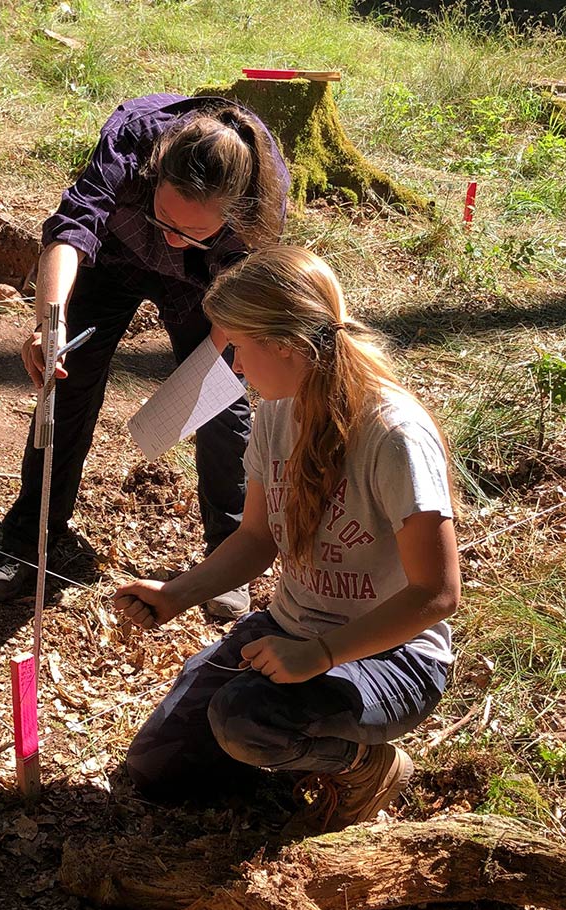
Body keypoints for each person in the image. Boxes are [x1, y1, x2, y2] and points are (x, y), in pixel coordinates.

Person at [114, 245, 460, 833]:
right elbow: (257, 537)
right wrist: (176, 595)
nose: (236, 367)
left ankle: (365, 766)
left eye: (240, 348)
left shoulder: (393, 434)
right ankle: (291, 754)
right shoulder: (277, 409)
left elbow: (436, 594)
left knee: (246, 719)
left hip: (393, 656)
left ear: (288, 345)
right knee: (156, 770)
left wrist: (320, 655)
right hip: (290, 631)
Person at [0, 93, 290, 619]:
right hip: (113, 260)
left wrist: (201, 377)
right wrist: (50, 325)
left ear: (229, 216)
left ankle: (226, 558)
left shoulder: (259, 199)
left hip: (204, 288)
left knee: (222, 404)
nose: (172, 235)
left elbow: (243, 293)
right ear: (155, 172)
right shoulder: (136, 138)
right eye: (164, 216)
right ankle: (30, 542)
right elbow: (71, 229)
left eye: (193, 231)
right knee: (66, 381)